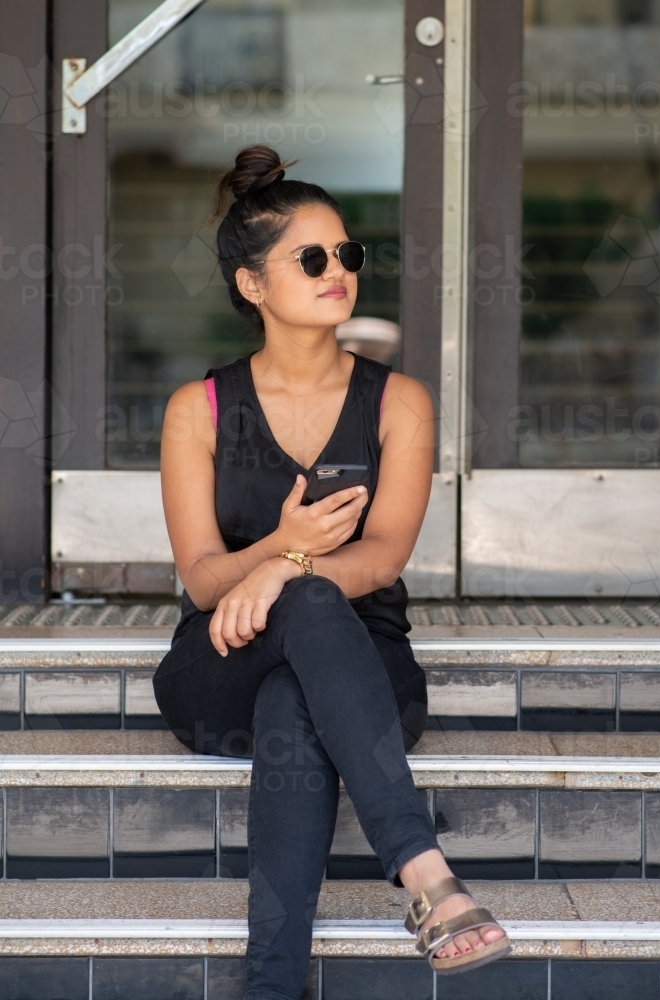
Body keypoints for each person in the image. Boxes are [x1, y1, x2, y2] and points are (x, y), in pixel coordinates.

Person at [152, 144, 510, 998]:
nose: (337, 270)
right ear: (252, 285)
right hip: (219, 664)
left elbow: (383, 557)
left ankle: (270, 987)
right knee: (295, 624)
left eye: (347, 253)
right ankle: (423, 872)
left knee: (299, 691)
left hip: (362, 658)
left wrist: (287, 569)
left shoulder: (399, 402)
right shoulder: (196, 411)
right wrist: (279, 551)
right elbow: (204, 582)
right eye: (310, 258)